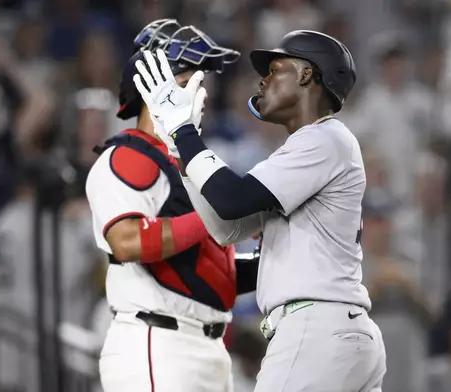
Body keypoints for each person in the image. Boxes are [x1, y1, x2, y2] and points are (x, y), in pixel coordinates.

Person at [133, 30, 387, 392]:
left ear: (304, 74)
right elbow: (227, 225)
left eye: (275, 68)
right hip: (337, 335)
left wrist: (185, 133)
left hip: (316, 330)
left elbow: (232, 199)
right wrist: (180, 148)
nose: (263, 79)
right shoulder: (306, 149)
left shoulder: (324, 138)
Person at [85, 19, 260, 392]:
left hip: (206, 346)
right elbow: (128, 242)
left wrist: (279, 258)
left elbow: (209, 267)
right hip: (157, 343)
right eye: (190, 83)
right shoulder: (126, 157)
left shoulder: (184, 161)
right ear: (156, 90)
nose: (203, 95)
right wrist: (220, 218)